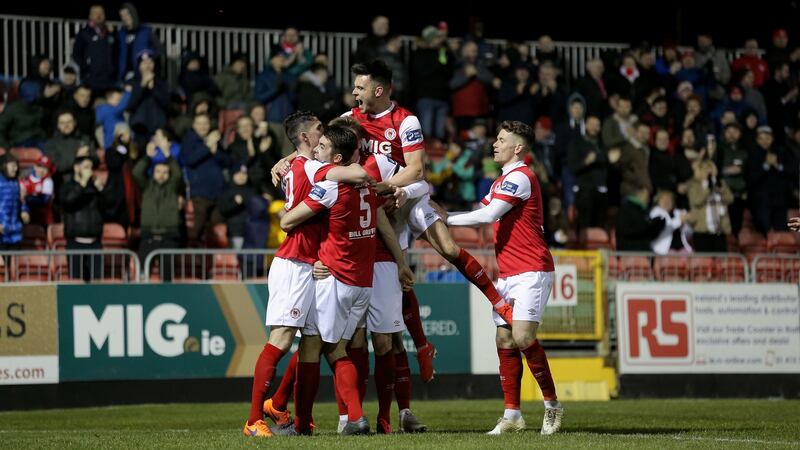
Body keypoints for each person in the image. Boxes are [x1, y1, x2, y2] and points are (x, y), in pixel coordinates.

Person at [241, 111, 370, 438]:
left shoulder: (299, 166)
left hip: (314, 265)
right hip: (295, 263)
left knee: (313, 343)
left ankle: (298, 421)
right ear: (304, 138)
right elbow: (357, 174)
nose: (322, 133)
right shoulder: (313, 168)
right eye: (318, 131)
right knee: (282, 339)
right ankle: (254, 419)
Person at [430, 121, 562, 436]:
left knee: (523, 337)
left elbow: (488, 216)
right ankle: (513, 415)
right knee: (504, 339)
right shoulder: (501, 180)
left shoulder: (521, 177)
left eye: (502, 140)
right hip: (509, 272)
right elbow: (483, 210)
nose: (495, 144)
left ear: (518, 147)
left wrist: (447, 217)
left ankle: (552, 406)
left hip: (532, 270)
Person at [277, 124, 410, 436]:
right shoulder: (368, 186)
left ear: (336, 157)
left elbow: (288, 221)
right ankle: (352, 417)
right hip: (362, 282)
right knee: (338, 348)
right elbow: (379, 223)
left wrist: (291, 207)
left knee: (317, 348)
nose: (316, 151)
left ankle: (310, 424)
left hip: (335, 279)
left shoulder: (332, 186)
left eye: (322, 146)